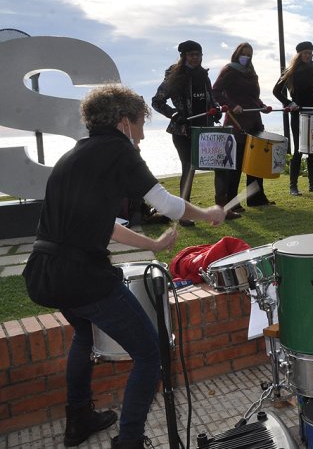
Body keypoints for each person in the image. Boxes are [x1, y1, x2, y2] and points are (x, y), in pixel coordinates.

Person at [21, 84, 225, 449]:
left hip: (44, 272)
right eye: (140, 124)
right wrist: (208, 213)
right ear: (123, 122)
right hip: (83, 277)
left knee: (85, 336)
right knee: (149, 353)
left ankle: (78, 419)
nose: (143, 134)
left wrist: (154, 245)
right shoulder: (119, 151)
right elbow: (168, 204)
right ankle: (129, 441)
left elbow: (105, 224)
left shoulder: (75, 154)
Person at [151, 40, 221, 226]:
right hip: (182, 130)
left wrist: (216, 108)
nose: (196, 58)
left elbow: (211, 99)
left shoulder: (204, 76)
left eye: (198, 54)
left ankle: (221, 207)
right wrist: (174, 114)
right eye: (191, 54)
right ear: (184, 56)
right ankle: (183, 214)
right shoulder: (175, 76)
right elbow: (157, 101)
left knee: (216, 166)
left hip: (204, 129)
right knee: (188, 167)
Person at [212, 42, 274, 215]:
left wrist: (262, 106)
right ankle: (232, 203)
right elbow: (215, 91)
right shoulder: (228, 70)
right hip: (236, 122)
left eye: (249, 55)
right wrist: (231, 106)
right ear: (237, 54)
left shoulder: (252, 73)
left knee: (256, 161)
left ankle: (256, 198)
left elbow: (253, 97)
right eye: (243, 54)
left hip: (254, 120)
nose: (246, 57)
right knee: (236, 164)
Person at [272, 41, 313, 195]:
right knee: (298, 150)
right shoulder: (290, 71)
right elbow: (276, 91)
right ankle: (293, 187)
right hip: (297, 114)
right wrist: (289, 103)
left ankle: (312, 185)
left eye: (310, 53)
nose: (308, 56)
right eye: (305, 53)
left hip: (312, 114)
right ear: (299, 54)